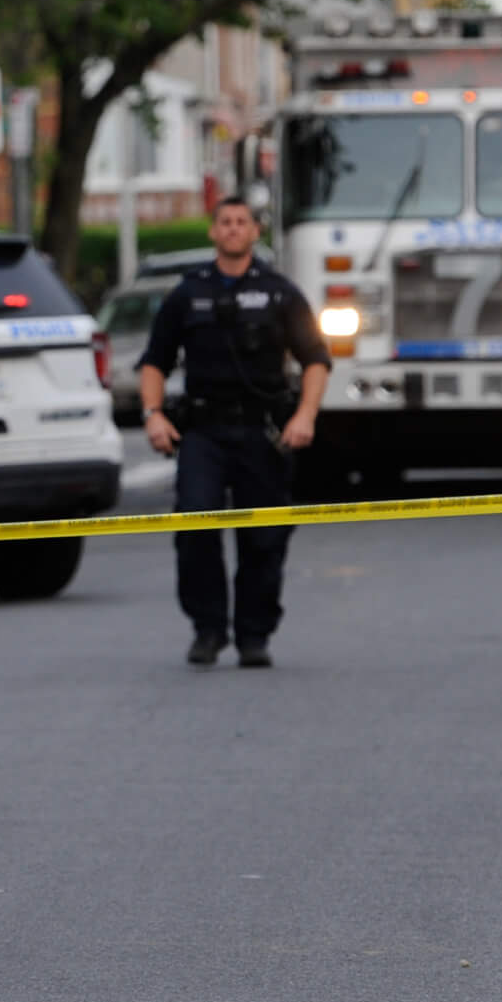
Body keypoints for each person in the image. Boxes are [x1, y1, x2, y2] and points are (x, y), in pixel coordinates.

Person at [137, 196, 334, 668]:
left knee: (264, 538)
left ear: (253, 232)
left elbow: (316, 360)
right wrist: (153, 414)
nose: (231, 229)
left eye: (241, 222)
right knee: (195, 528)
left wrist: (305, 416)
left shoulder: (280, 292)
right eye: (224, 222)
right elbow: (153, 362)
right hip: (203, 432)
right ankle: (208, 629)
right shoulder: (188, 293)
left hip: (262, 432)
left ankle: (254, 635)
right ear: (213, 232)